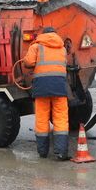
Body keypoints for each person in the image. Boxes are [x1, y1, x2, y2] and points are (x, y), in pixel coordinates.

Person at [23, 26, 70, 160]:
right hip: (59, 87)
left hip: (41, 87)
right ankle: (61, 152)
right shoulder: (62, 48)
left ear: (43, 35)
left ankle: (43, 152)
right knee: (61, 118)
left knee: (42, 119)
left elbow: (29, 62)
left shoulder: (36, 46)